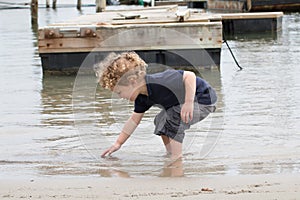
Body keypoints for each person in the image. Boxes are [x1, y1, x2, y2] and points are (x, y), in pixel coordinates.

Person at [94, 51, 217, 161]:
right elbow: (133, 121)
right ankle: (170, 153)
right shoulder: (141, 99)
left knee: (173, 117)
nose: (120, 96)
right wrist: (118, 143)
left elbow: (189, 76)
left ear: (132, 81)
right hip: (181, 104)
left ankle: (177, 157)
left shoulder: (160, 81)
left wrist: (188, 102)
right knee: (159, 120)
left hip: (202, 99)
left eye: (119, 92)